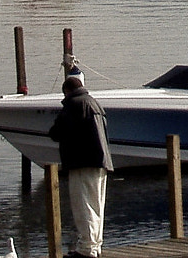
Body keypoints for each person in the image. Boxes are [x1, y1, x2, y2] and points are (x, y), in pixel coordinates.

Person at [48, 58, 114, 258]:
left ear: (66, 91)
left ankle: (86, 250)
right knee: (97, 205)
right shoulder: (95, 103)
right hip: (101, 162)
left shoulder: (73, 104)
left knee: (83, 206)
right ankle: (95, 247)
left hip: (82, 162)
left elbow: (56, 132)